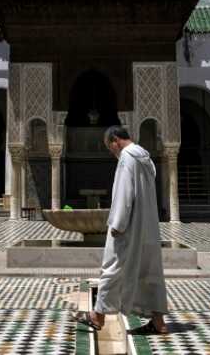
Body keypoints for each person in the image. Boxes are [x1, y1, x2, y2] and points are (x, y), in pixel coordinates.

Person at [72, 125, 169, 335]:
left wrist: (117, 223)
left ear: (115, 140)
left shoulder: (127, 157)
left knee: (112, 267)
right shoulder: (145, 157)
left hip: (128, 225)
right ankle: (158, 322)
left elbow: (125, 193)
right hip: (148, 226)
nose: (112, 152)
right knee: (150, 272)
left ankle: (98, 316)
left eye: (110, 147)